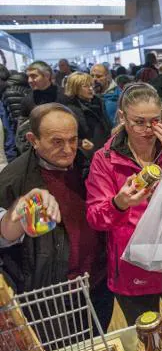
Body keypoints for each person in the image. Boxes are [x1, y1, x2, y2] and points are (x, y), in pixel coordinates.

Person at [85, 83, 162, 326]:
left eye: (154, 121)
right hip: (133, 267)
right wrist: (119, 203)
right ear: (122, 117)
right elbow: (95, 217)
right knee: (147, 340)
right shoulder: (106, 159)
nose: (147, 129)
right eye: (138, 122)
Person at [0, 103, 113, 330]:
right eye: (57, 142)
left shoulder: (85, 163)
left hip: (99, 284)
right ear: (33, 139)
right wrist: (20, 208)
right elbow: (4, 236)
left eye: (73, 139)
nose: (68, 149)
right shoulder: (15, 179)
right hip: (54, 298)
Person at [64, 72, 112, 159]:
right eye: (85, 86)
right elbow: (66, 135)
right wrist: (80, 142)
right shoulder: (71, 109)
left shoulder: (99, 102)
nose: (90, 89)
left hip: (105, 150)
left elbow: (106, 127)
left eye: (91, 85)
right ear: (75, 88)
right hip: (86, 156)